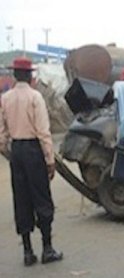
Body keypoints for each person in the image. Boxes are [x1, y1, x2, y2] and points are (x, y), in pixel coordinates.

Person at [0, 57, 63, 266]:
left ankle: (27, 252)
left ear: (15, 75)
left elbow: (2, 133)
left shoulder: (5, 98)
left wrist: (7, 149)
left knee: (22, 198)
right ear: (29, 76)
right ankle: (47, 248)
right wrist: (50, 158)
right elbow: (43, 131)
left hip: (17, 149)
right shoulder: (35, 97)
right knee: (41, 197)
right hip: (33, 150)